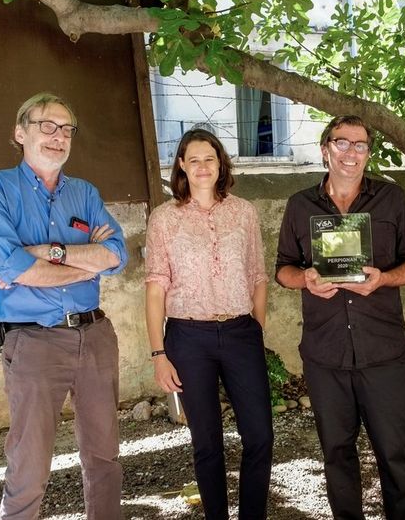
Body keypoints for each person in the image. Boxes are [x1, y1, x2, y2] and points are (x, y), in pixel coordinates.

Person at [0, 92, 128, 520]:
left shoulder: (85, 193)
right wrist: (84, 262)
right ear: (20, 133)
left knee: (104, 455)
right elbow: (12, 266)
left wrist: (49, 253)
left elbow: (117, 255)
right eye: (47, 125)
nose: (58, 136)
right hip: (32, 340)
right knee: (29, 462)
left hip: (94, 336)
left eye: (66, 128)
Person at [276, 115, 405, 519]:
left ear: (368, 153)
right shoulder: (299, 206)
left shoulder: (391, 200)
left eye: (360, 145)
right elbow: (283, 269)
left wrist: (383, 280)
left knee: (396, 453)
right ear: (325, 149)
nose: (351, 153)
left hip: (382, 351)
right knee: (337, 454)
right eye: (342, 143)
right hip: (326, 354)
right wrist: (305, 279)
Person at [145, 129, 273, 520]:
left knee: (260, 435)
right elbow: (155, 288)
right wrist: (158, 354)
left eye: (210, 158)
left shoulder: (243, 212)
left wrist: (256, 331)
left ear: (221, 164)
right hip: (188, 337)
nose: (202, 166)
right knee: (207, 442)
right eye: (194, 159)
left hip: (239, 332)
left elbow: (257, 276)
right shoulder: (165, 218)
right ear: (181, 165)